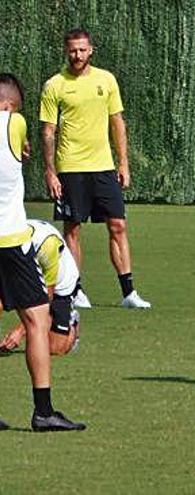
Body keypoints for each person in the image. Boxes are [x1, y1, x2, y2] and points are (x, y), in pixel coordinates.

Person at [40, 28, 150, 310]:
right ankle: (76, 291)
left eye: (82, 50)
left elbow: (117, 123)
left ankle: (129, 293)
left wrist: (123, 162)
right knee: (73, 230)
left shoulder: (107, 80)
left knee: (118, 226)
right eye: (72, 50)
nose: (77, 55)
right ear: (66, 51)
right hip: (71, 168)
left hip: (103, 167)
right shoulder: (55, 85)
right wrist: (51, 171)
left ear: (91, 50)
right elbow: (48, 131)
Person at [0, 73, 85, 431]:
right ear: (8, 105)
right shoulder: (13, 122)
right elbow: (23, 148)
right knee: (36, 322)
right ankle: (43, 411)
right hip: (9, 238)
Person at [0, 219, 82, 356]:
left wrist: (20, 332)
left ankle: (71, 321)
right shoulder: (6, 238)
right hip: (25, 269)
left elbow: (45, 299)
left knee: (56, 348)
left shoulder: (46, 246)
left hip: (59, 286)